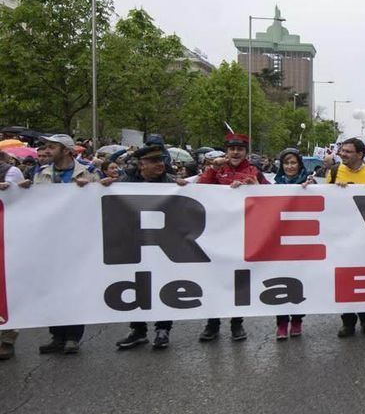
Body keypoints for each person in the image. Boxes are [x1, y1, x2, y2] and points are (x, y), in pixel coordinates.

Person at [20, 134, 100, 354]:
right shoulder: (40, 173)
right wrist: (19, 190)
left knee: (74, 288)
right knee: (52, 289)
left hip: (77, 242)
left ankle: (73, 336)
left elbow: (103, 199)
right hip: (50, 242)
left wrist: (92, 188)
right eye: (46, 147)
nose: (47, 151)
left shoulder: (88, 172)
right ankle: (56, 335)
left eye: (52, 147)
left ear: (66, 150)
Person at [102, 145, 188, 349]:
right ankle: (138, 330)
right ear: (141, 165)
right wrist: (101, 186)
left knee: (165, 284)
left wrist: (186, 188)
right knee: (135, 285)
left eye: (161, 160)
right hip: (134, 244)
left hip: (163, 245)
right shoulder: (124, 182)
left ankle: (163, 329)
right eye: (154, 161)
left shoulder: (171, 182)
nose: (160, 164)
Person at [197, 133, 269, 342]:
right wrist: (212, 169)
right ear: (227, 151)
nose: (235, 152)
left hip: (242, 236)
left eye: (240, 149)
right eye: (232, 149)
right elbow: (199, 189)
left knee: (239, 281)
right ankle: (212, 323)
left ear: (246, 152)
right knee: (215, 279)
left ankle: (237, 323)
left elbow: (272, 196)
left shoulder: (254, 171)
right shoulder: (217, 169)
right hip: (217, 234)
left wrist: (256, 188)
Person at [310, 138, 365, 337]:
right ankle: (348, 321)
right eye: (342, 151)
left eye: (348, 151)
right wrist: (334, 190)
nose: (343, 154)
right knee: (344, 278)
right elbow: (324, 200)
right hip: (341, 235)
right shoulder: (334, 172)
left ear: (360, 154)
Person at [273, 148, 309, 339]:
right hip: (279, 243)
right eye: (286, 163)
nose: (289, 166)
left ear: (299, 164)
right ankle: (281, 323)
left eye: (293, 162)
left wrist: (310, 188)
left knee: (298, 282)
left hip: (302, 241)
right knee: (280, 281)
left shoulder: (309, 184)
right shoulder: (274, 185)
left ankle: (297, 320)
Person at [0, 151, 26, 360]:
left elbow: (19, 200)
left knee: (7, 288)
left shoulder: (11, 171)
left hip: (6, 235)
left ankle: (8, 338)